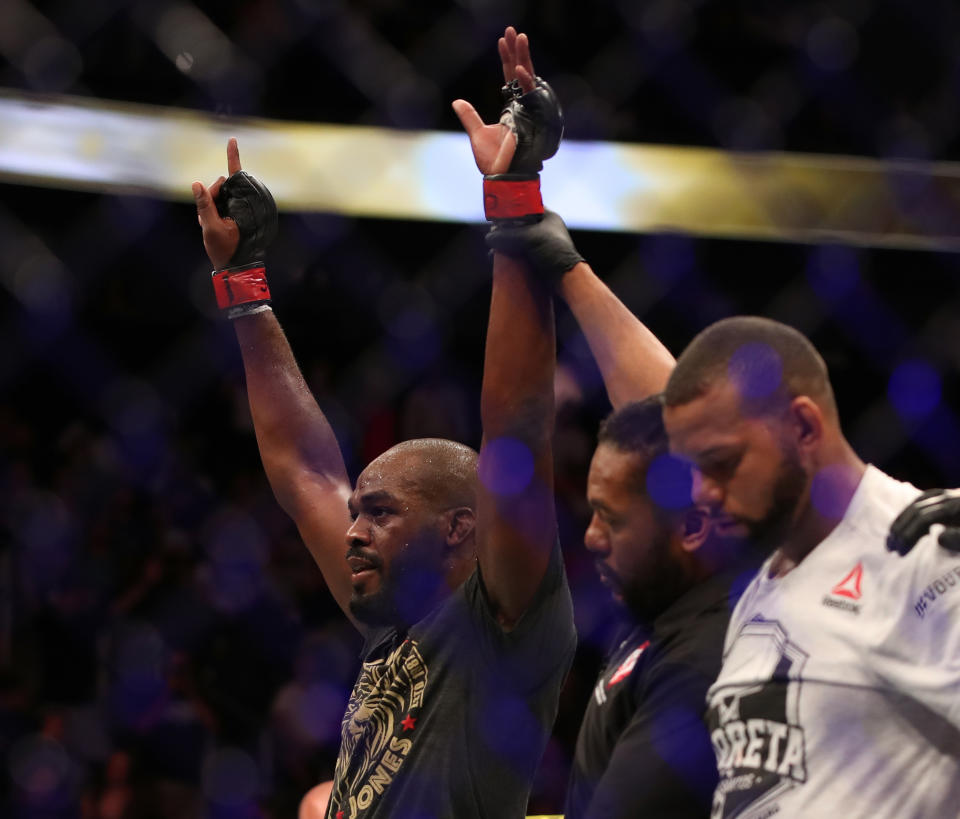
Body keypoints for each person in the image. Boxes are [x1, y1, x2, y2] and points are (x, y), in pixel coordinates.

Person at [191, 46, 576, 813]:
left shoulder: (497, 622)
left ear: (462, 528)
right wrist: (244, 288)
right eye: (361, 508)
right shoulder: (391, 624)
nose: (353, 529)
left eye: (381, 511)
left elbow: (516, 431)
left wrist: (513, 197)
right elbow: (306, 472)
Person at [461, 29, 758, 817]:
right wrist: (527, 216)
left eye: (610, 519)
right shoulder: (670, 623)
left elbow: (680, 425)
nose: (587, 537)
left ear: (694, 522)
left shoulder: (717, 647)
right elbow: (665, 418)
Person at [660, 315, 960, 817]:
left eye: (722, 464)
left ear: (802, 427)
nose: (700, 494)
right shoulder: (759, 590)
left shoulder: (924, 552)